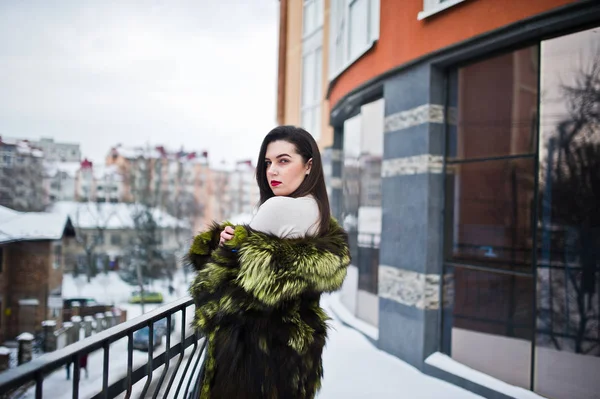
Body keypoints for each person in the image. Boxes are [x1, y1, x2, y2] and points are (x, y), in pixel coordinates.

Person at [188, 125, 351, 399]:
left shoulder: (278, 207)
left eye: (283, 161)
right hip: (293, 361)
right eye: (268, 162)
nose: (272, 171)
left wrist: (217, 249)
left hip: (251, 365)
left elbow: (213, 296)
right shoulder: (317, 212)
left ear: (309, 165)